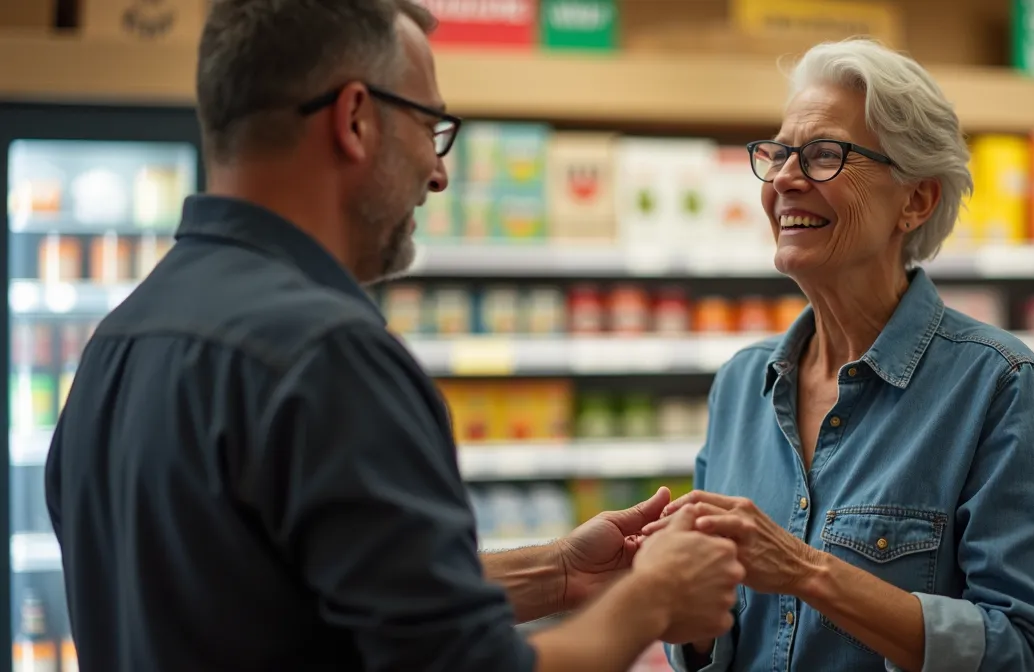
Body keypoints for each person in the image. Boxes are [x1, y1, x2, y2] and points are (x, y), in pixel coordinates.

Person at [44, 1, 743, 671]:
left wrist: (555, 573)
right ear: (354, 119)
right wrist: (653, 599)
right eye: (429, 124)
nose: (438, 172)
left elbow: (283, 601)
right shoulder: (326, 355)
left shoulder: (118, 342)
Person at [644, 38, 1034, 672]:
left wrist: (805, 572)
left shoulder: (999, 387)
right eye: (778, 154)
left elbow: (1028, 653)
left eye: (823, 155)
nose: (785, 179)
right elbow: (714, 639)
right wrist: (688, 619)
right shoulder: (741, 385)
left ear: (916, 200)